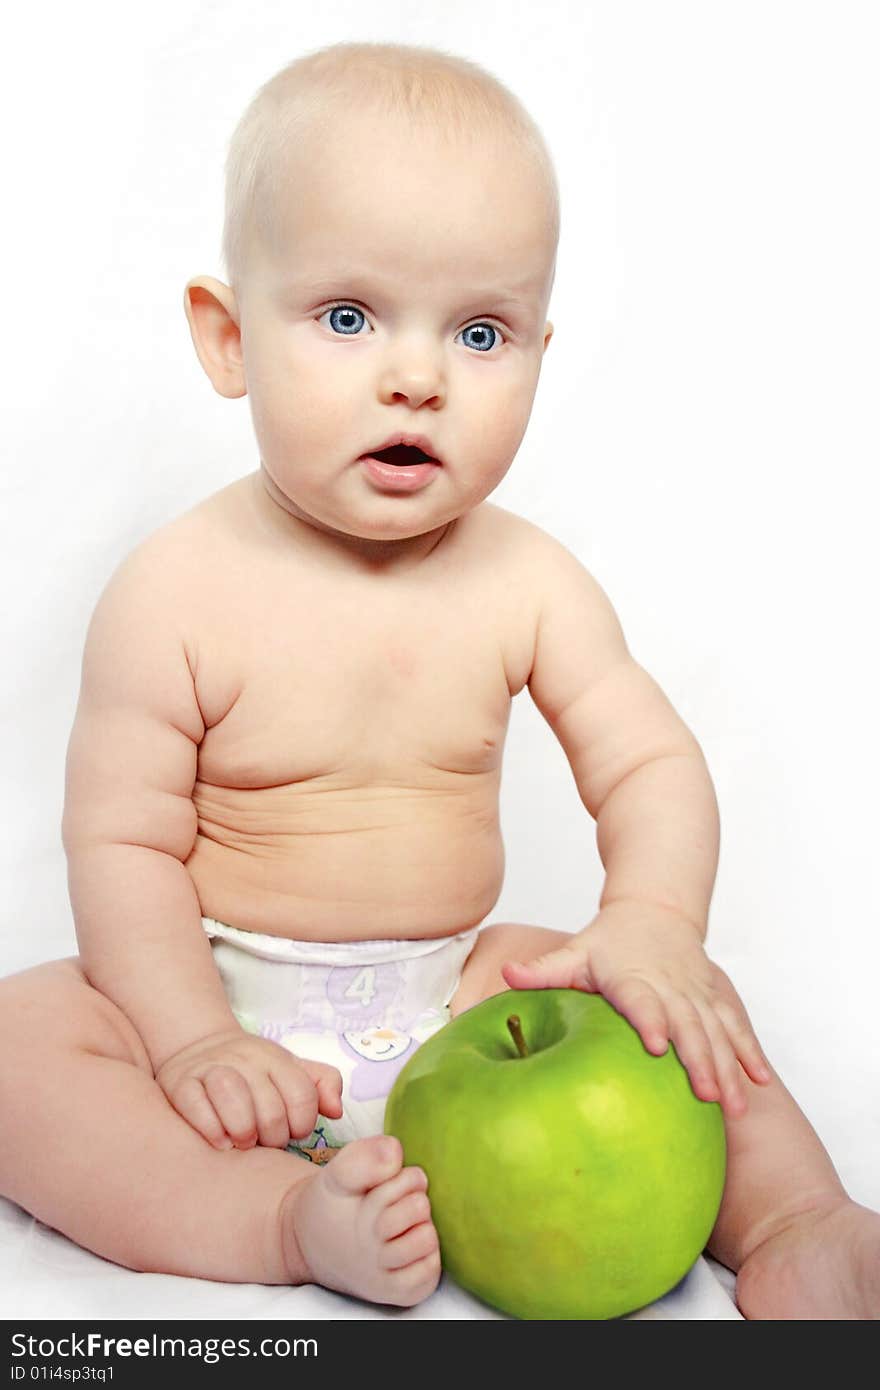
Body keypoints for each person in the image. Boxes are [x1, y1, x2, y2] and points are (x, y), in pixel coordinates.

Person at [1, 40, 877, 1320]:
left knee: (674, 996)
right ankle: (278, 1224)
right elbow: (123, 840)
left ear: (537, 347)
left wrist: (649, 924)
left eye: (480, 331)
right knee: (24, 1041)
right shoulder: (173, 591)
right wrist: (193, 1038)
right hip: (226, 991)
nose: (416, 376)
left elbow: (647, 763)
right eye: (348, 318)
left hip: (453, 991)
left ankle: (802, 1216)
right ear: (228, 335)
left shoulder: (526, 581)